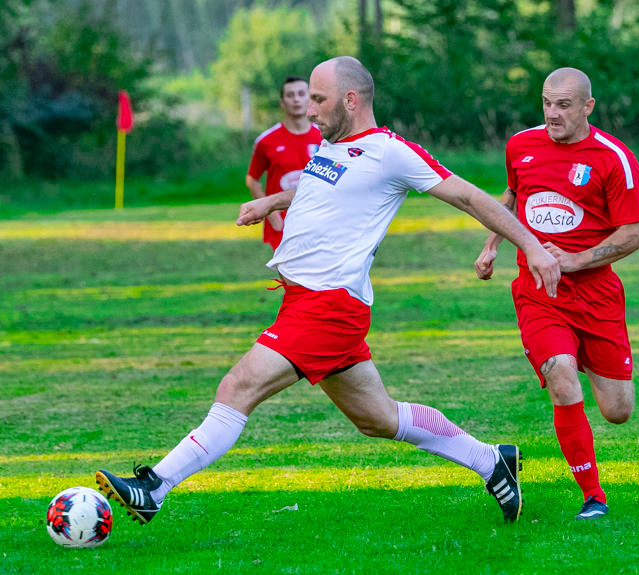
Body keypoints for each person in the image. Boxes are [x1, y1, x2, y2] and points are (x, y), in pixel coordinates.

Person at [95, 56, 561, 525]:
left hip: (327, 306)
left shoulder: (390, 151)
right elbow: (323, 190)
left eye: (318, 99)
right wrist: (272, 200)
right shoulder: (331, 144)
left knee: (237, 386)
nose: (310, 110)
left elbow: (469, 197)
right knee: (379, 419)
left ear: (350, 100)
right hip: (309, 302)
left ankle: (153, 487)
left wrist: (532, 247)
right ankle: (490, 460)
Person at [474, 68, 639, 520]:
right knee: (561, 377)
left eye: (564, 105)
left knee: (617, 411)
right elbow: (511, 195)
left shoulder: (614, 158)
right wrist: (491, 245)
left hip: (597, 296)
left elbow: (632, 235)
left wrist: (573, 260)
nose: (552, 113)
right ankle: (593, 496)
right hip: (537, 293)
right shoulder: (521, 146)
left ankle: (585, 354)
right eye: (547, 103)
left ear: (588, 106)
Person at [246, 75, 322, 250]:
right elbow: (252, 179)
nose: (296, 99)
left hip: (318, 220)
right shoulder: (266, 140)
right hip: (283, 223)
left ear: (310, 99)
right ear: (282, 102)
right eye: (290, 95)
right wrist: (270, 213)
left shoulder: (325, 138)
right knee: (289, 276)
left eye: (301, 94)